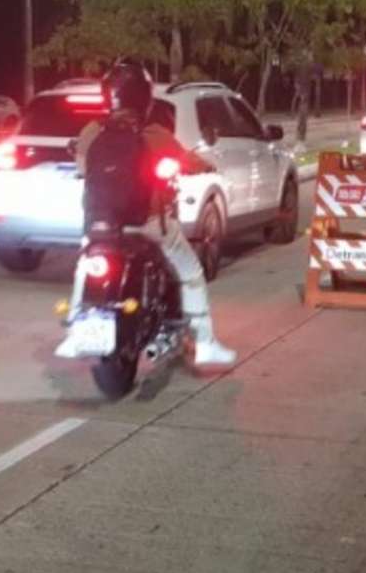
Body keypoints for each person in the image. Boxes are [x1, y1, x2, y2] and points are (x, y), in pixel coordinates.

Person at [62, 58, 237, 368]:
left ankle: (76, 328)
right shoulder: (154, 133)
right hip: (149, 224)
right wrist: (206, 166)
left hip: (100, 224)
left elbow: (81, 165)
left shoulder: (91, 132)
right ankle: (205, 343)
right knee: (191, 272)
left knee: (86, 262)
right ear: (144, 98)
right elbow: (187, 161)